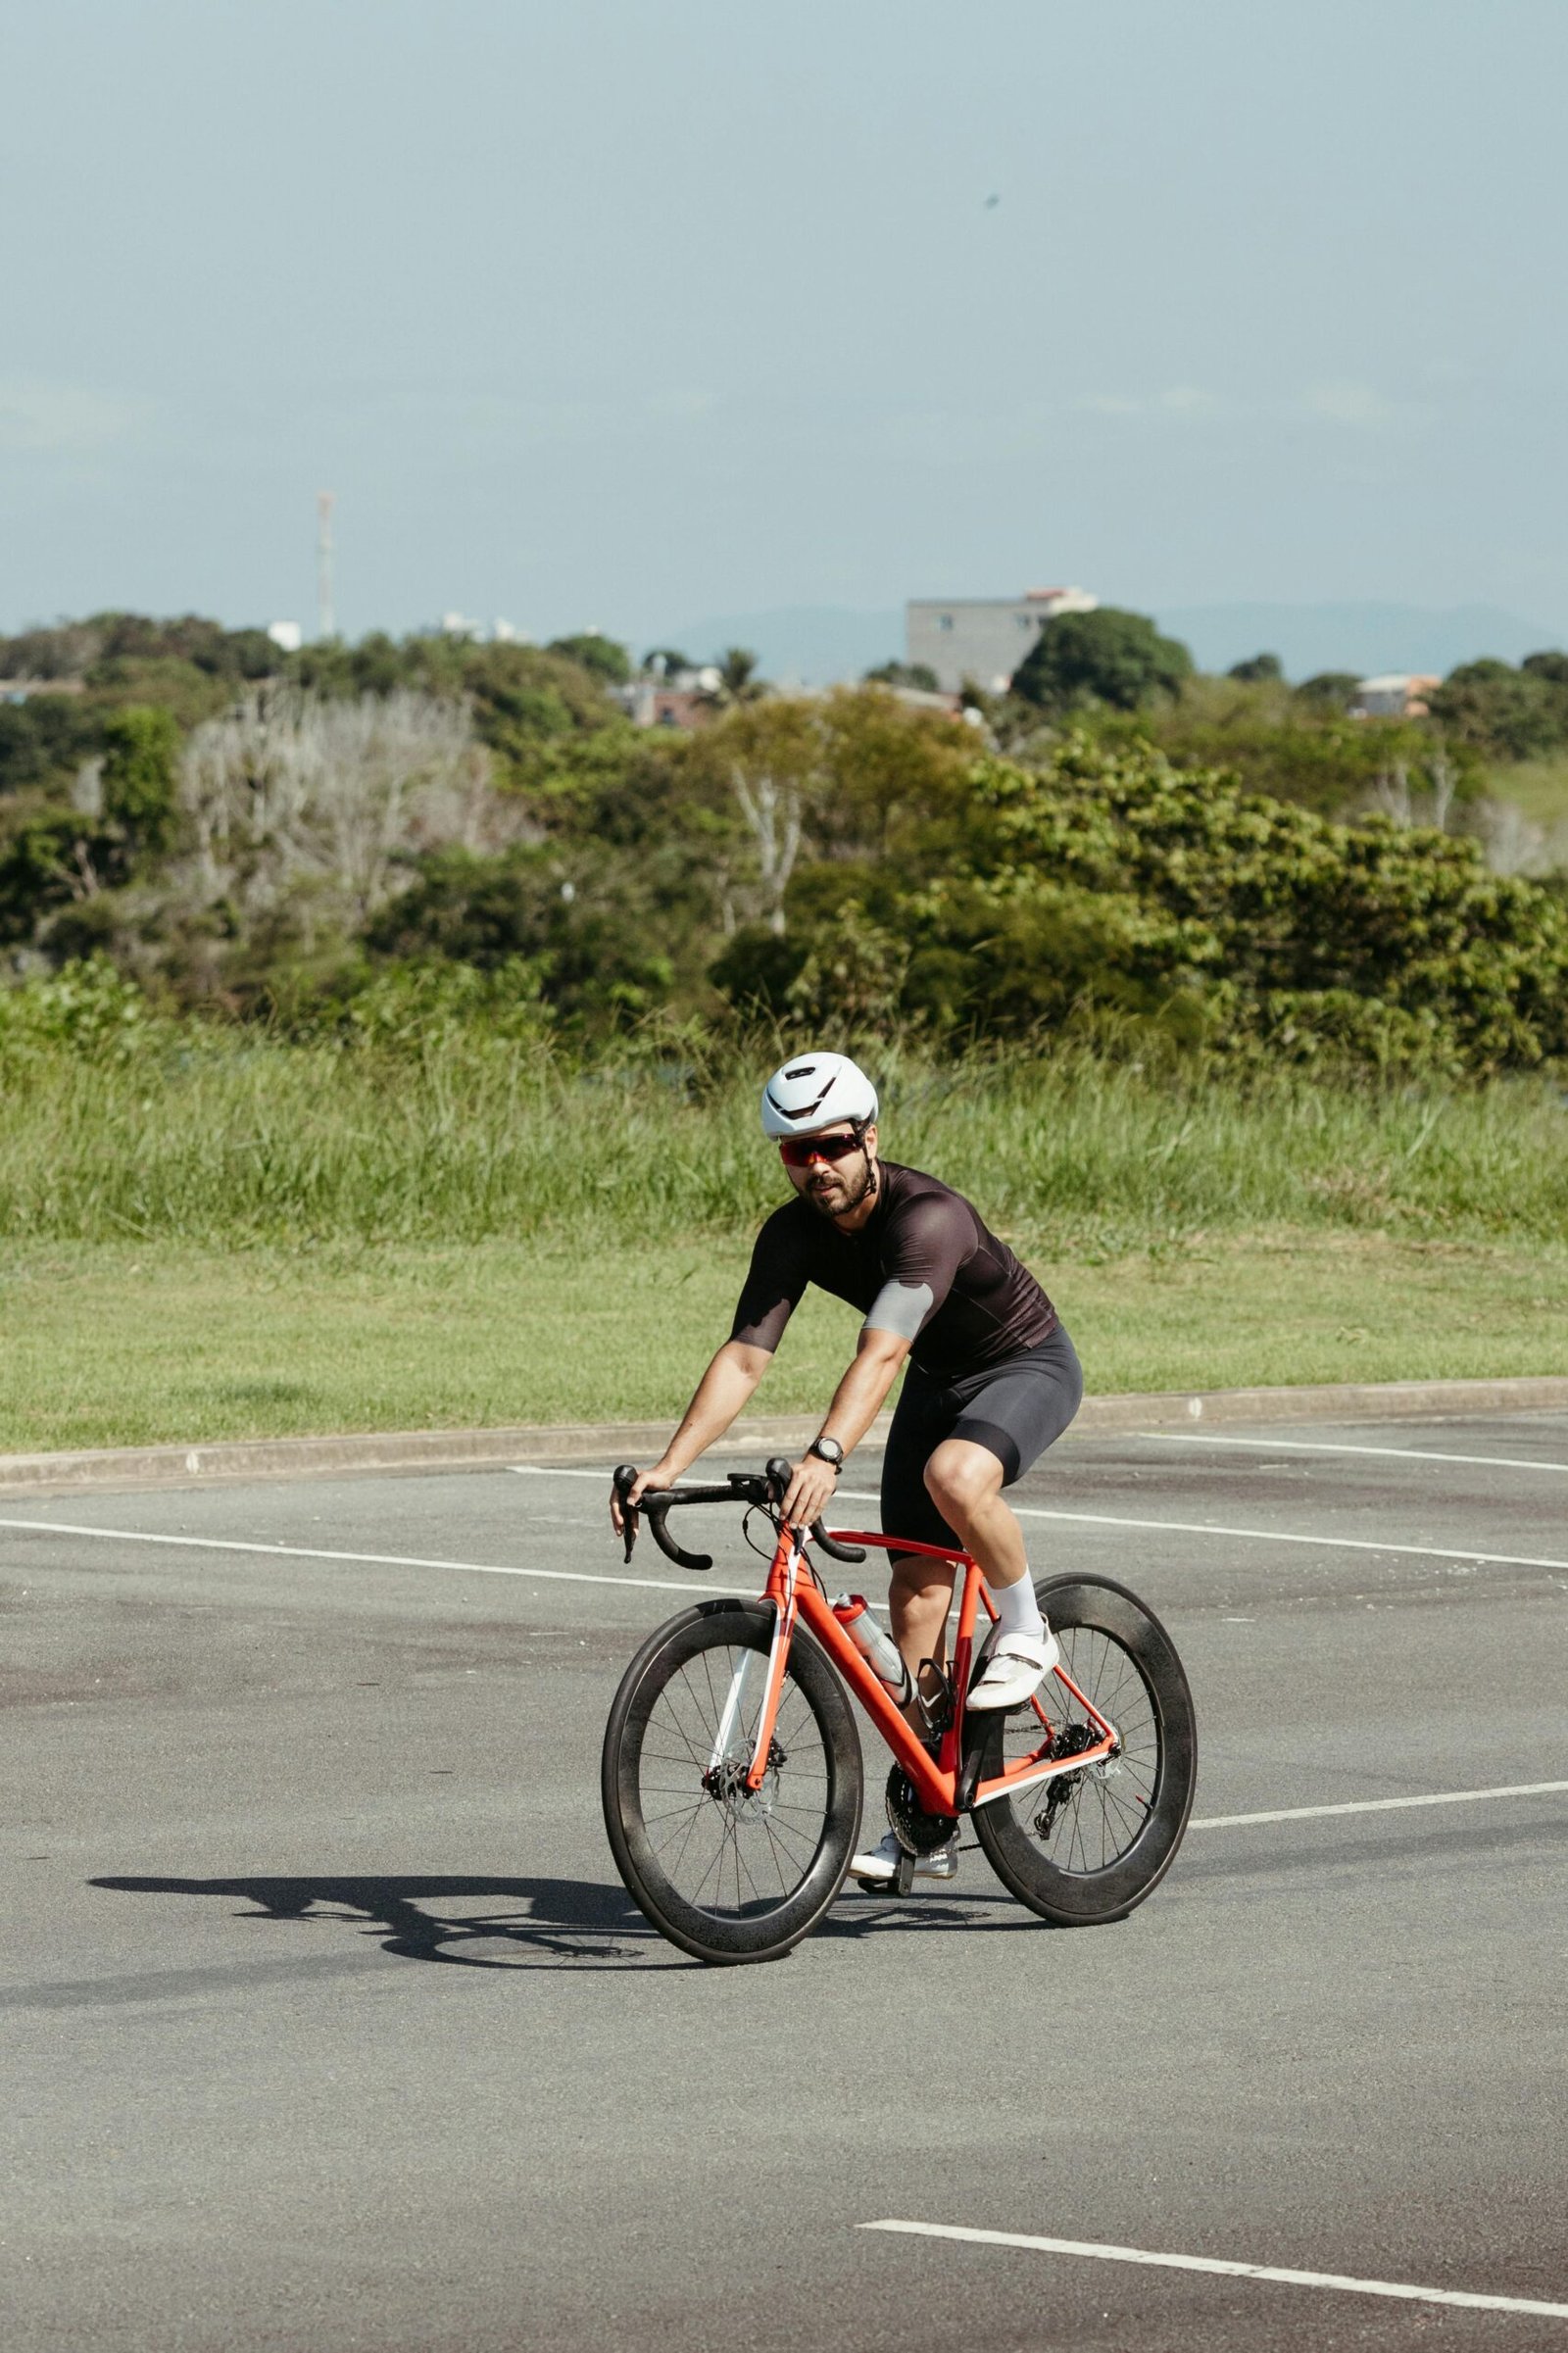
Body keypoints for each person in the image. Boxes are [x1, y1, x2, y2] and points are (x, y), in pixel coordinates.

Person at [610, 1050, 1083, 1887]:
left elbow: (884, 1347)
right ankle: (931, 1815)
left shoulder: (925, 1216)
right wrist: (666, 1465)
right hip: (938, 1384)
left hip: (1023, 1364)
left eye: (830, 1145)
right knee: (915, 1607)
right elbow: (746, 1358)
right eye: (797, 1152)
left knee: (957, 1476)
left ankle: (1026, 1627)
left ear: (869, 1135)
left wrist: (828, 1452)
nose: (816, 1166)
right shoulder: (792, 1231)